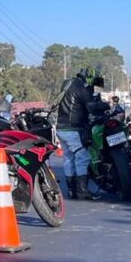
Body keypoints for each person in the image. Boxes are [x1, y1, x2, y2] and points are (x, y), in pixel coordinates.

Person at [55, 67, 96, 200]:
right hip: (72, 128)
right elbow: (91, 105)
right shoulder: (80, 87)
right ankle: (82, 191)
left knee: (68, 158)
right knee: (83, 157)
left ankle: (71, 190)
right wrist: (105, 106)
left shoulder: (67, 84)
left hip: (61, 128)